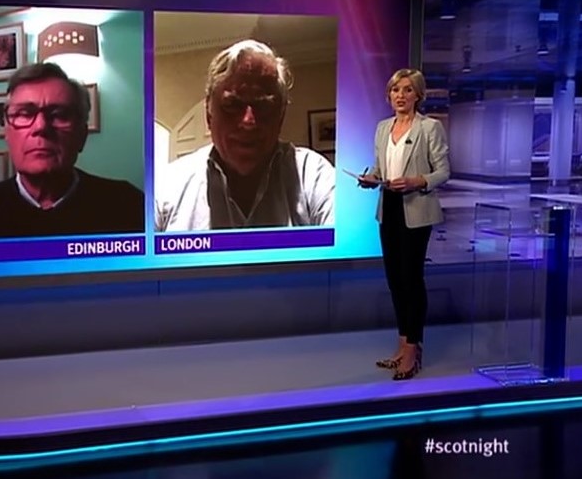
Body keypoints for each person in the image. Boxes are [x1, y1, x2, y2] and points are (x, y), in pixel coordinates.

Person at [0, 62, 144, 240]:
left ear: (82, 135)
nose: (41, 127)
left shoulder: (128, 205)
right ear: (7, 133)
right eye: (24, 114)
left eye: (59, 114)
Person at [155, 40, 335, 231]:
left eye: (263, 106)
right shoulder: (168, 185)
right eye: (232, 105)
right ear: (209, 112)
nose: (248, 122)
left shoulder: (313, 175)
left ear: (281, 115)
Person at [357, 68, 450, 381]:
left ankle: (413, 349)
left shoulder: (430, 127)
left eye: (407, 90)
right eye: (396, 90)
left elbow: (443, 172)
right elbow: (380, 167)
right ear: (389, 95)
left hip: (417, 209)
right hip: (389, 208)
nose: (400, 95)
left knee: (411, 280)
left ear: (418, 95)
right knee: (395, 280)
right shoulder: (383, 128)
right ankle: (401, 346)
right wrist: (371, 178)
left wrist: (416, 181)